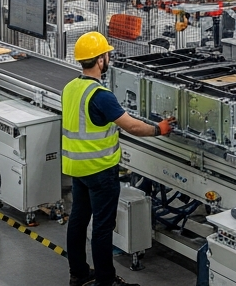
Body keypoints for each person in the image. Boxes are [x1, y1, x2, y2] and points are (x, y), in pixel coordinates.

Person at [64, 32, 175, 286]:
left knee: (78, 221)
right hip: (100, 171)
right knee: (103, 228)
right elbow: (132, 127)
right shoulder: (100, 95)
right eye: (107, 55)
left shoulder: (71, 87)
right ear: (100, 60)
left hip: (77, 167)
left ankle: (78, 274)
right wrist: (159, 129)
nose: (109, 58)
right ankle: (106, 281)